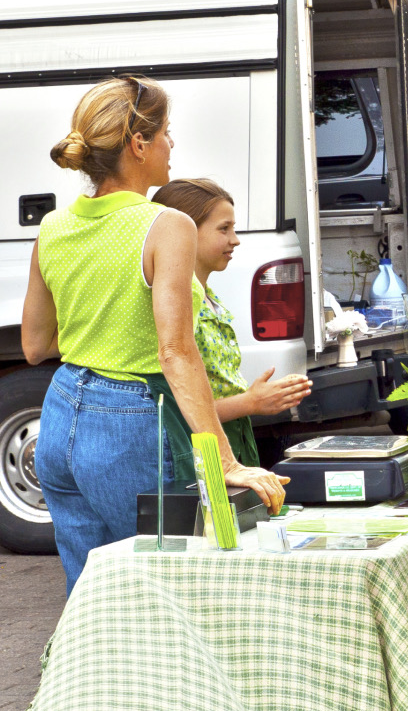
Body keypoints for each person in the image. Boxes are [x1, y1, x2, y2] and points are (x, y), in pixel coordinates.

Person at [21, 76, 287, 595]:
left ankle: (87, 678)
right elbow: (176, 351)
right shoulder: (165, 224)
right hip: (131, 425)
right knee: (170, 591)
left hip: (58, 420)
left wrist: (99, 325)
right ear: (138, 144)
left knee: (93, 597)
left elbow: (34, 344)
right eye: (166, 133)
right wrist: (225, 463)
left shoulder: (52, 225)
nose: (171, 146)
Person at [152, 179, 311, 464]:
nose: (235, 239)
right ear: (184, 233)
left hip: (231, 443)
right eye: (224, 229)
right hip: (199, 456)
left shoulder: (206, 294)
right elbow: (177, 410)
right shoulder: (177, 305)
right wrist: (251, 402)